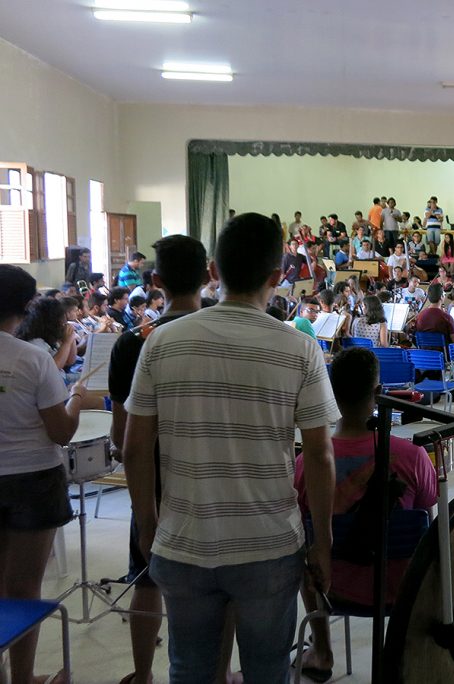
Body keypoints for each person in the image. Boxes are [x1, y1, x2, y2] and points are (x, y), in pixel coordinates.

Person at [122, 213, 339, 683]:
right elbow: (320, 455)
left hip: (183, 540)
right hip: (269, 544)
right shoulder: (300, 349)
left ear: (214, 272)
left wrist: (148, 525)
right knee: (266, 669)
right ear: (278, 278)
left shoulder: (162, 341)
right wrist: (322, 538)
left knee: (190, 668)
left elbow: (135, 449)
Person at [108, 235, 244, 684]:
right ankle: (220, 674)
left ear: (157, 281)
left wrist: (140, 505)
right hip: (217, 472)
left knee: (146, 579)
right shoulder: (228, 332)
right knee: (218, 584)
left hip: (156, 478)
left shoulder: (132, 343)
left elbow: (123, 434)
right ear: (210, 275)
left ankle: (143, 673)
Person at [294, 348, 437, 680]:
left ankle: (323, 651)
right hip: (402, 590)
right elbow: (428, 527)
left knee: (305, 552)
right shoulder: (413, 456)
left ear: (330, 393)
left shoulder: (305, 465)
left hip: (332, 587)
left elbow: (302, 531)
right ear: (378, 392)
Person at [0, 266, 85, 684]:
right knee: (25, 587)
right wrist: (75, 400)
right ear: (27, 306)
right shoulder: (32, 358)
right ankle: (23, 677)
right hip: (32, 479)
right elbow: (61, 431)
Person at [15, 296, 78, 377]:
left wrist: (71, 338)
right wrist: (66, 343)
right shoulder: (35, 342)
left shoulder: (49, 336)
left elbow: (70, 361)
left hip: (62, 378)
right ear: (51, 320)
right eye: (60, 318)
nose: (63, 322)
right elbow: (52, 368)